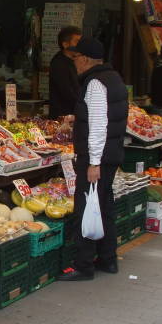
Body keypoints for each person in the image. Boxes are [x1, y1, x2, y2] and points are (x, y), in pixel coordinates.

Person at [58, 37, 128, 281]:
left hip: (97, 157)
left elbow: (99, 125)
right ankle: (108, 259)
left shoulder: (96, 83)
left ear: (85, 59)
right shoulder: (113, 77)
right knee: (104, 205)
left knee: (86, 206)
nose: (74, 62)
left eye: (76, 57)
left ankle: (84, 264)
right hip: (111, 153)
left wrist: (93, 163)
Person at [48, 25, 82, 119]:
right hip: (62, 117)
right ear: (65, 44)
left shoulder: (76, 61)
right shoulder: (58, 64)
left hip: (74, 114)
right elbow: (67, 92)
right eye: (77, 42)